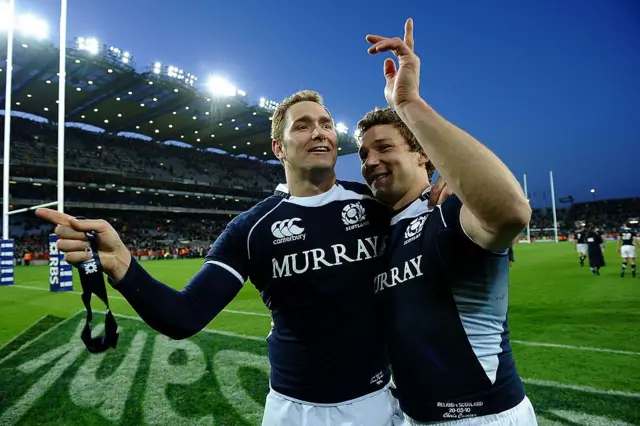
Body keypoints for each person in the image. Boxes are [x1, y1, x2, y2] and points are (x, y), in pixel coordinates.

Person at [36, 90, 405, 425]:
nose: (320, 132)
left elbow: (441, 212)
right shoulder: (250, 229)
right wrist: (121, 264)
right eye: (303, 126)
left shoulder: (376, 204)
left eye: (326, 124)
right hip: (294, 411)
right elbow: (185, 315)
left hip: (374, 402)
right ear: (279, 147)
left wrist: (445, 186)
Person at [357, 18, 536, 425]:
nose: (371, 161)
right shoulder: (374, 234)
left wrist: (409, 105)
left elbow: (511, 211)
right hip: (406, 414)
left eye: (384, 147)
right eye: (363, 154)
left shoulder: (448, 210)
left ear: (423, 154)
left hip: (478, 417)